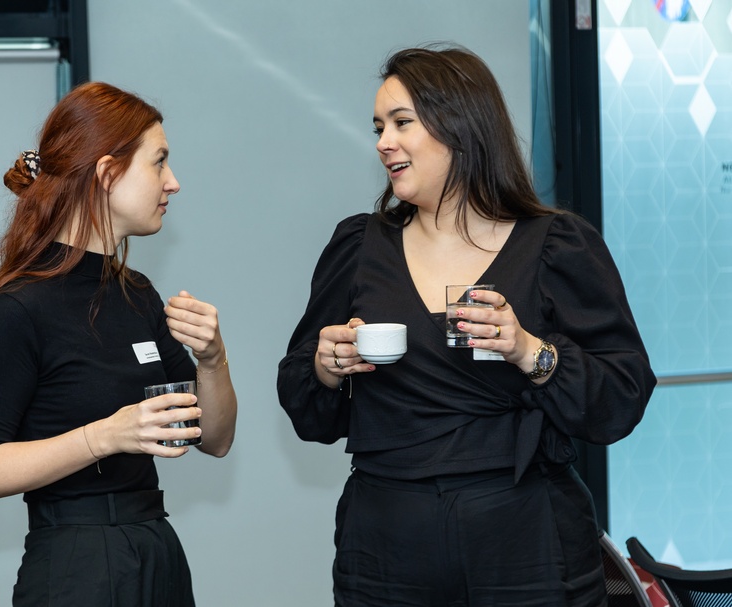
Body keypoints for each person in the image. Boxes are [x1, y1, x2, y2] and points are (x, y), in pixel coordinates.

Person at [277, 44, 656, 606]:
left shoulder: (556, 245)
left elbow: (622, 396)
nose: (384, 142)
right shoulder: (359, 246)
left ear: (459, 126)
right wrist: (325, 367)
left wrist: (531, 352)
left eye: (402, 123)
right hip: (385, 543)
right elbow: (306, 407)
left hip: (527, 535)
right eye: (379, 126)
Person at [0, 81, 237, 606]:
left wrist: (213, 359)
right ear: (107, 173)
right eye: (159, 163)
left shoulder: (138, 295)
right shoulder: (18, 308)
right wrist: (106, 435)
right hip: (75, 566)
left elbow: (215, 439)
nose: (173, 183)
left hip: (155, 548)